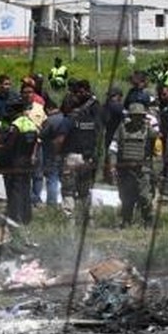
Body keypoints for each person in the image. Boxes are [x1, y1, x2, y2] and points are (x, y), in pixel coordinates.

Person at [108, 102, 160, 228]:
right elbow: (113, 148)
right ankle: (126, 221)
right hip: (125, 169)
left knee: (144, 196)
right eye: (135, 116)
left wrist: (156, 170)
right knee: (126, 196)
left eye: (140, 116)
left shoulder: (148, 130)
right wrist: (112, 165)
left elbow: (158, 145)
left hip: (143, 169)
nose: (138, 118)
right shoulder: (122, 128)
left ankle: (148, 220)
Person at [0, 94, 39, 225]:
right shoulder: (30, 123)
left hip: (15, 163)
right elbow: (36, 142)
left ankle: (15, 217)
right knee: (26, 189)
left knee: (15, 191)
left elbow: (9, 146)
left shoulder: (15, 126)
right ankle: (26, 217)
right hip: (27, 162)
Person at [61, 81, 100, 220]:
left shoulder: (71, 117)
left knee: (68, 189)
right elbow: (97, 134)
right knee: (84, 190)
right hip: (86, 156)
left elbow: (61, 136)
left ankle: (69, 218)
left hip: (73, 155)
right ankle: (87, 217)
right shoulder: (93, 114)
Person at [39, 98, 68, 208]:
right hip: (64, 152)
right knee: (63, 177)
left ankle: (51, 202)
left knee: (52, 177)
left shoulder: (50, 120)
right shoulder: (65, 118)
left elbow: (42, 135)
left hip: (51, 152)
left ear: (49, 109)